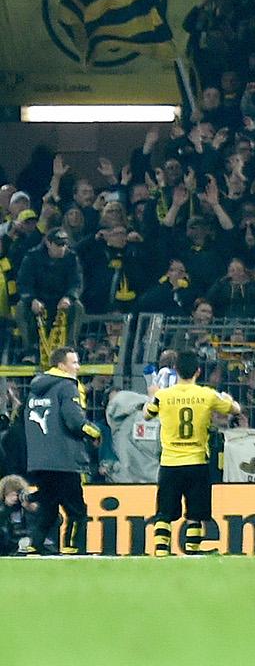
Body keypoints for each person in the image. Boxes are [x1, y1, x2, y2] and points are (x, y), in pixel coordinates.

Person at [142, 350, 239, 556]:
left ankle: (160, 551)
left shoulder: (163, 396)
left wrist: (152, 395)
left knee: (164, 512)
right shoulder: (207, 394)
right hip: (197, 461)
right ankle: (192, 550)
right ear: (198, 371)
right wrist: (229, 398)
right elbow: (235, 410)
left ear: (175, 370)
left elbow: (147, 415)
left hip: (170, 462)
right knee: (196, 512)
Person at [24, 346, 96, 554]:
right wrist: (95, 432)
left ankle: (34, 545)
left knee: (48, 507)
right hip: (63, 460)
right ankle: (73, 548)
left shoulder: (34, 389)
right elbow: (74, 421)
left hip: (39, 460)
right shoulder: (67, 386)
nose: (78, 367)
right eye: (74, 362)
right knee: (77, 511)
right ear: (61, 365)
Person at [13, 229, 83, 364]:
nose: (62, 248)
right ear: (48, 243)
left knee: (78, 307)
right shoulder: (32, 257)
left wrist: (69, 297)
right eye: (58, 245)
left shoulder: (71, 257)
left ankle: (69, 349)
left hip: (61, 300)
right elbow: (23, 283)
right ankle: (31, 350)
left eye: (64, 244)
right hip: (39, 299)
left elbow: (77, 283)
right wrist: (31, 299)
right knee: (21, 307)